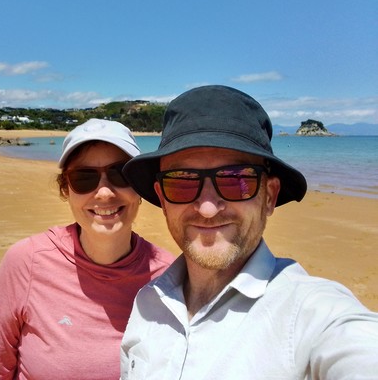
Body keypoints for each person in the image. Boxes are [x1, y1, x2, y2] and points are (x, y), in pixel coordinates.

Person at [120, 85, 378, 379]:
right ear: (163, 199)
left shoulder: (309, 313)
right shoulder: (147, 303)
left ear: (269, 196)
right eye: (183, 181)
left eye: (236, 180)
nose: (207, 208)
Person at [0, 119, 175, 380]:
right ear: (66, 189)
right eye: (84, 178)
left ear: (139, 188)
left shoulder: (169, 277)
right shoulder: (27, 262)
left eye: (120, 174)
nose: (104, 193)